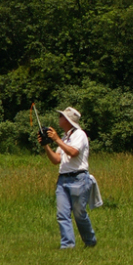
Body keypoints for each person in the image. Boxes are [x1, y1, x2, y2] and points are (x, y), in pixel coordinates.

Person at [40, 107, 97, 249]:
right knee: (62, 214)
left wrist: (57, 140)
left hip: (78, 178)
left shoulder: (80, 135)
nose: (59, 118)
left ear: (68, 120)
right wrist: (46, 145)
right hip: (63, 179)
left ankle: (90, 241)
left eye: (61, 116)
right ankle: (67, 245)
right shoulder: (65, 138)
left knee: (79, 215)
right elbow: (56, 159)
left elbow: (73, 152)